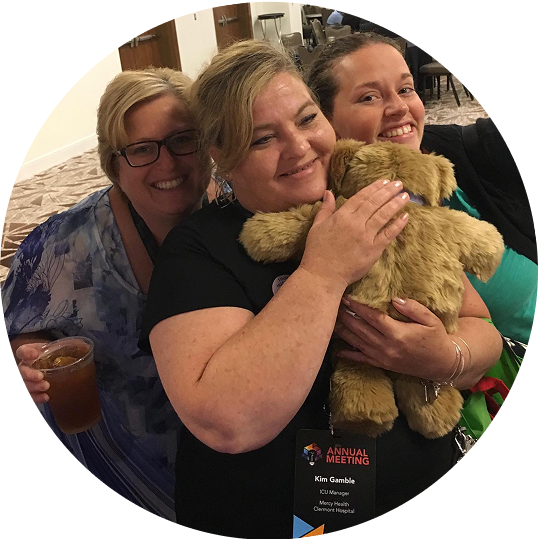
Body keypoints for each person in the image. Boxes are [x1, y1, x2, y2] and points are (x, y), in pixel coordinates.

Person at [141, 40, 502, 538]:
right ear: (222, 156)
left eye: (307, 119)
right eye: (263, 139)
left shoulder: (371, 195)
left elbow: (483, 329)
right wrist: (323, 273)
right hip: (277, 520)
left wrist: (444, 357)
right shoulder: (197, 250)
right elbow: (227, 422)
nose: (300, 147)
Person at [3, 67, 211, 521]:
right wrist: (28, 355)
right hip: (119, 461)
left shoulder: (239, 208)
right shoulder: (64, 246)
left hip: (228, 454)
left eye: (183, 139)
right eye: (141, 149)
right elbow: (19, 329)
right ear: (113, 163)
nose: (168, 164)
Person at [306, 32, 537, 345]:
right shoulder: (333, 216)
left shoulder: (466, 150)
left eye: (405, 89)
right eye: (369, 97)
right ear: (326, 120)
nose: (399, 107)